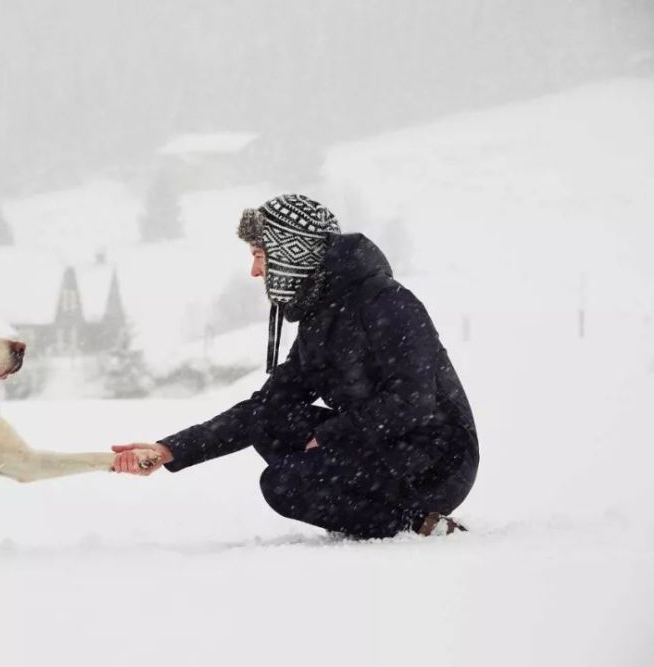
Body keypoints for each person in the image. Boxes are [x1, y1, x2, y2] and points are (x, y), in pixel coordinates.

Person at [112, 194, 479, 538]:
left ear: (293, 254)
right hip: (378, 442)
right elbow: (264, 408)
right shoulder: (319, 318)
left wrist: (332, 434)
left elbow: (412, 402)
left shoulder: (388, 302)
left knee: (283, 484)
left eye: (260, 255)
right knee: (269, 419)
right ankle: (366, 508)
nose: (255, 272)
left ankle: (416, 523)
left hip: (437, 458)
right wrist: (169, 450)